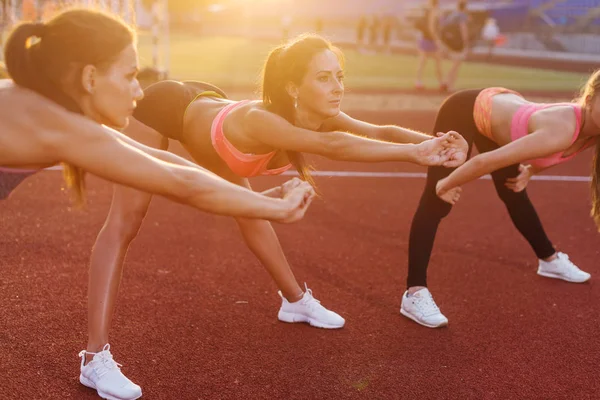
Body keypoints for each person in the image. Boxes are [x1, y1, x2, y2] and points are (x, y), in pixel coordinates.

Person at [85, 33, 470, 398]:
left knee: (250, 211)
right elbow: (329, 145)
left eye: (339, 76)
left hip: (205, 108)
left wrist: (435, 142)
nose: (337, 87)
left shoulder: (318, 115)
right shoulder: (262, 121)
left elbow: (380, 130)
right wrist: (414, 155)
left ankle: (295, 300)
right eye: (323, 78)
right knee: (126, 223)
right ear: (292, 87)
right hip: (161, 109)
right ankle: (93, 357)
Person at [2, 10, 319, 400]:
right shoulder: (57, 124)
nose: (139, 91)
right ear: (89, 78)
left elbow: (166, 164)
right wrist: (274, 209)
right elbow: (179, 183)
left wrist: (251, 200)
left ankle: (94, 356)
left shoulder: (55, 112)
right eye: (130, 75)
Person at [401, 72, 600, 329]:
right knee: (436, 201)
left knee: (513, 189)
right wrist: (446, 184)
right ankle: (414, 293)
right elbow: (486, 161)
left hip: (503, 111)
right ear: (592, 97)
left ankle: (549, 260)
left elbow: (557, 152)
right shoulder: (563, 128)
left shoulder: (592, 130)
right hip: (466, 109)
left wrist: (530, 171)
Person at [436, 0, 470, 92]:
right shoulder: (462, 16)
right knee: (456, 64)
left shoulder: (452, 15)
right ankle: (449, 84)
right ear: (465, 7)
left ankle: (446, 82)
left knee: (453, 64)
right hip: (457, 44)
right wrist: (466, 43)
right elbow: (463, 29)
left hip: (449, 42)